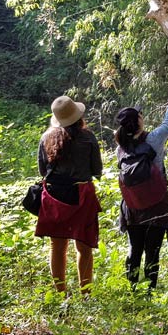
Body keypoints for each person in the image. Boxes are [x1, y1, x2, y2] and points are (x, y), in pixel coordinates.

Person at [36, 95, 103, 294]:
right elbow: (96, 170)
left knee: (57, 247)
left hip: (54, 196)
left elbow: (42, 171)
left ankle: (60, 294)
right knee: (84, 247)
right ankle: (86, 294)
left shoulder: (46, 137)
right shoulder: (88, 137)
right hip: (81, 194)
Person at [114, 92, 168, 291]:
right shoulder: (153, 140)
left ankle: (132, 288)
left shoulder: (121, 149)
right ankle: (151, 289)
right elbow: (167, 126)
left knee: (135, 248)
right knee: (153, 250)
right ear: (139, 122)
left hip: (132, 207)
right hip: (157, 204)